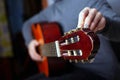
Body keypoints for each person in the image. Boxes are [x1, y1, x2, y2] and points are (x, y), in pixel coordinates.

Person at [22, 0, 120, 80]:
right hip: (67, 68)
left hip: (100, 73)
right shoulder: (52, 9)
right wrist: (30, 42)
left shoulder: (91, 1)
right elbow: (26, 25)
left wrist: (105, 25)